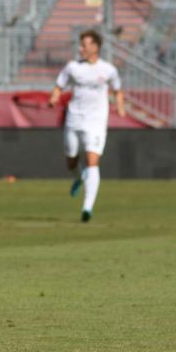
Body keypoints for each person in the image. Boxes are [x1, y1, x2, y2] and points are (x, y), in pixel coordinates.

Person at [48, 30, 126, 222]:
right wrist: (54, 97)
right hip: (74, 119)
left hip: (96, 122)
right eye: (80, 44)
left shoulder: (108, 69)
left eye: (84, 45)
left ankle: (87, 207)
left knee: (92, 161)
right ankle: (78, 178)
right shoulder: (73, 67)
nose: (81, 48)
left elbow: (118, 90)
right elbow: (60, 85)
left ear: (95, 47)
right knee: (71, 162)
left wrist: (120, 107)